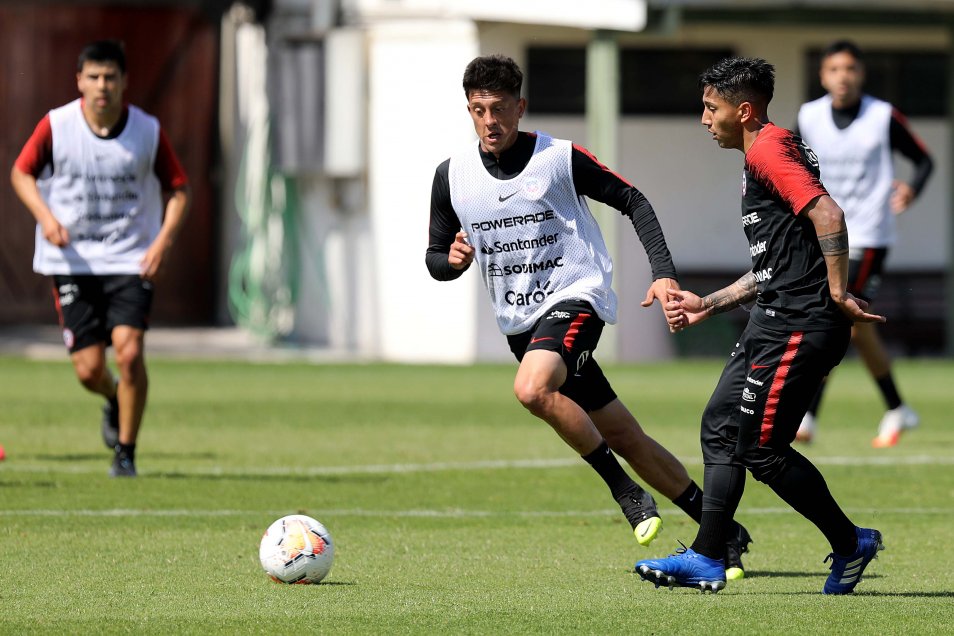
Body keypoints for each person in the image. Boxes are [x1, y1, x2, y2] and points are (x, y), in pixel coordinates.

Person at [425, 54, 752, 577]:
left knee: (531, 389)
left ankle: (626, 493)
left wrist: (663, 273)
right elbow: (435, 258)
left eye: (500, 108)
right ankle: (721, 531)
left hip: (577, 296)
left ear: (520, 107)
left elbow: (633, 201)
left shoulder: (558, 158)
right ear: (469, 110)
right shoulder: (452, 176)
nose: (490, 121)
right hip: (521, 324)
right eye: (479, 110)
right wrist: (454, 260)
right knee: (625, 436)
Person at [634, 57, 885, 595]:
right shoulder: (766, 154)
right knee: (720, 426)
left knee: (761, 449)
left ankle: (850, 543)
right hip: (773, 320)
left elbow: (830, 216)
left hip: (800, 323)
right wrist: (709, 304)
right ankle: (708, 555)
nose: (704, 119)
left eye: (711, 108)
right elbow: (775, 265)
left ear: (744, 111)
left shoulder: (769, 149)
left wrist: (837, 291)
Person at [10, 40, 190, 477]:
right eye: (93, 77)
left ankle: (126, 453)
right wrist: (46, 217)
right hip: (73, 260)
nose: (102, 85)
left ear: (125, 81)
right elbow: (21, 172)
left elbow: (179, 189)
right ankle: (112, 396)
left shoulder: (146, 131)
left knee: (129, 352)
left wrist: (162, 242)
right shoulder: (57, 125)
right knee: (89, 370)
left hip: (130, 259)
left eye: (110, 77)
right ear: (79, 81)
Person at [794, 40, 933, 447]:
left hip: (869, 233)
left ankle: (807, 416)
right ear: (823, 76)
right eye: (835, 69)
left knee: (835, 314)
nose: (843, 76)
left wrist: (911, 189)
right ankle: (897, 407)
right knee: (852, 324)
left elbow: (924, 160)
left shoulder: (882, 116)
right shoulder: (809, 116)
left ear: (861, 74)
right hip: (824, 233)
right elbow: (794, 167)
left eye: (850, 68)